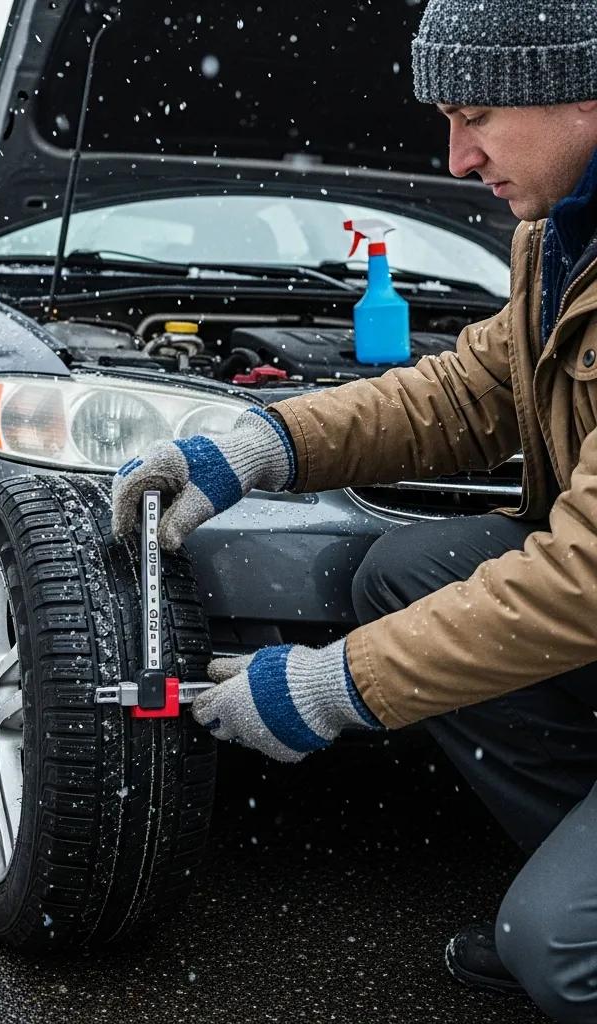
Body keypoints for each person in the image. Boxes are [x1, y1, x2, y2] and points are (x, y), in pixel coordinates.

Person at [111, 2, 597, 1020]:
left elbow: (582, 581)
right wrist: (260, 444)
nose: (457, 159)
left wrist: (330, 687)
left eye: (476, 119)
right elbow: (469, 394)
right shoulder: (562, 238)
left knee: (557, 948)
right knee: (400, 572)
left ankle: (569, 928)